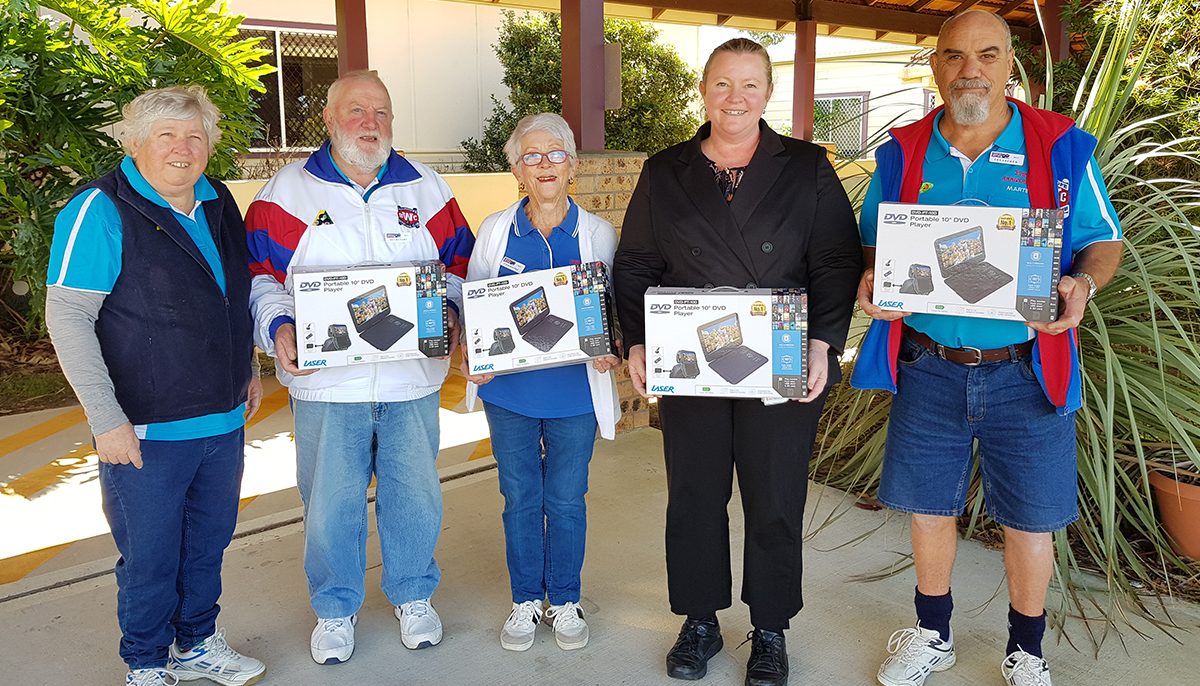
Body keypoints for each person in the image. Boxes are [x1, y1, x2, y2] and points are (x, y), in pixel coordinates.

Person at [851, 11, 1123, 686]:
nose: (969, 69)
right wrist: (870, 281)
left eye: (987, 54)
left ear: (1009, 66)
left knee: (1031, 520)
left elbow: (1104, 240)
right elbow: (874, 245)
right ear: (936, 64)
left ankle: (1026, 651)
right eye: (953, 55)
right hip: (930, 364)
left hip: (1025, 370)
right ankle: (932, 635)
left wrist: (1082, 283)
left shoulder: (1060, 147)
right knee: (928, 509)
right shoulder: (902, 151)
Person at [613, 38, 862, 686]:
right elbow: (637, 262)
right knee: (694, 497)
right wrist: (637, 340)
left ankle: (771, 628)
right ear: (703, 89)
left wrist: (822, 343)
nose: (735, 98)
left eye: (750, 85)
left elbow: (835, 259)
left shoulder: (806, 166)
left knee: (774, 497)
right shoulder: (666, 170)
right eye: (723, 84)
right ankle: (699, 619)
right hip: (690, 360)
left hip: (776, 356)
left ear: (768, 93)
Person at [244, 70, 474, 665]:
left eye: (381, 111)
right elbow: (259, 276)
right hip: (326, 385)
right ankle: (335, 608)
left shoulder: (426, 188)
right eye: (356, 110)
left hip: (411, 381)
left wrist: (449, 309)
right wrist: (279, 326)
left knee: (415, 495)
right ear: (328, 118)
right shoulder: (287, 192)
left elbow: (460, 262)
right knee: (330, 501)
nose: (370, 122)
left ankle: (413, 595)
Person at [45, 86, 265, 686]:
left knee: (208, 543)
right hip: (143, 425)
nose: (183, 148)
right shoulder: (100, 209)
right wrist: (105, 419)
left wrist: (244, 370)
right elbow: (67, 317)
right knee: (149, 557)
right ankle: (145, 661)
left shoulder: (217, 198)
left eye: (196, 136)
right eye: (166, 135)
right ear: (135, 143)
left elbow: (230, 294)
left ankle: (196, 642)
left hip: (221, 420)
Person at [461, 113, 621, 653]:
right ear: (516, 170)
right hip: (510, 394)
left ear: (572, 165)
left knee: (568, 498)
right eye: (532, 156)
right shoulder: (496, 229)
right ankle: (527, 599)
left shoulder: (598, 233)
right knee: (521, 497)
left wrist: (611, 350)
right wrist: (474, 354)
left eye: (555, 154)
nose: (545, 164)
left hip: (575, 393)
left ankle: (566, 597)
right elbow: (475, 301)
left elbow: (613, 310)